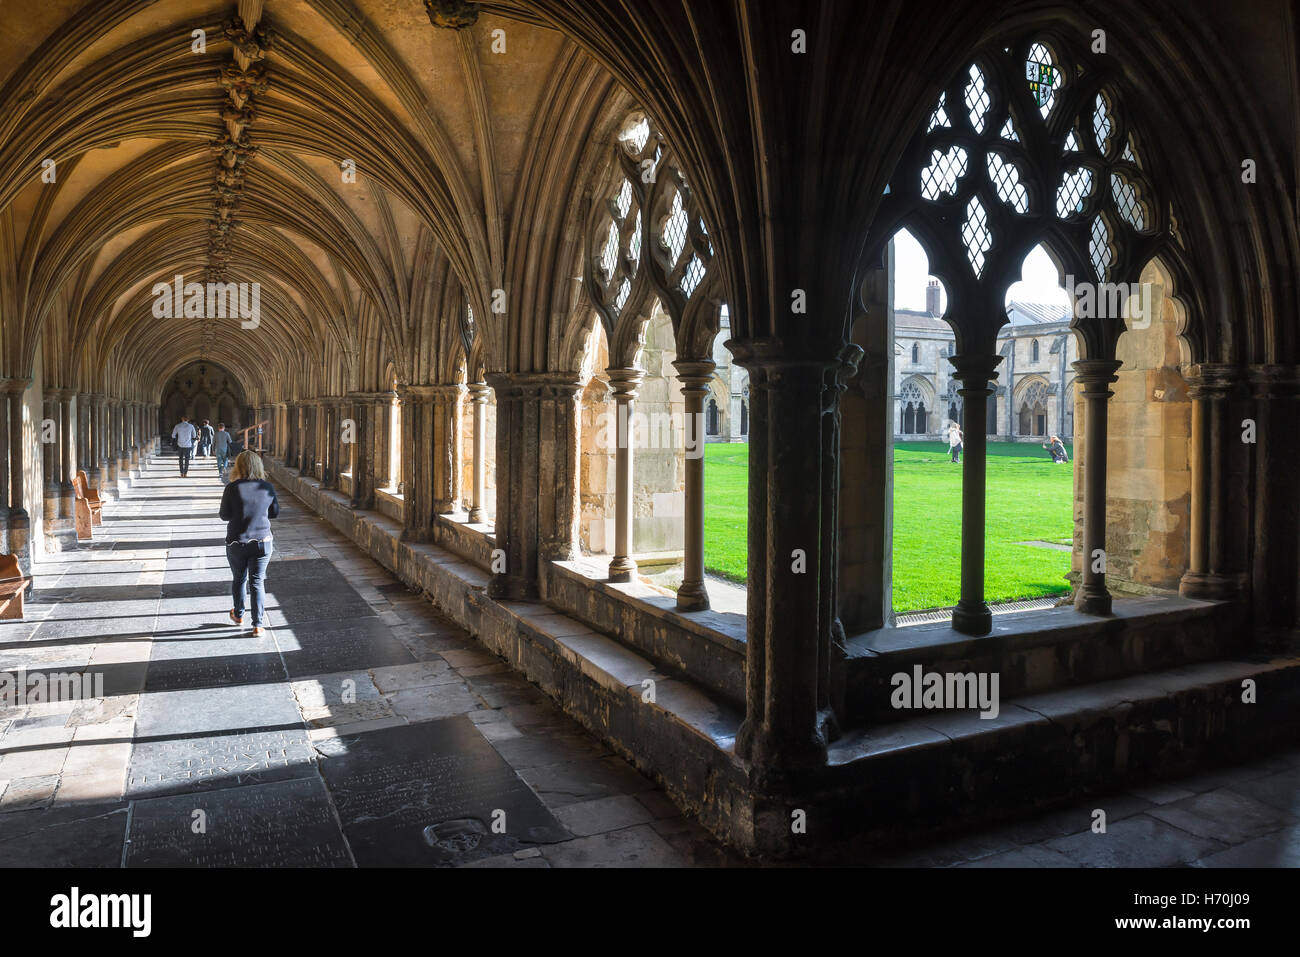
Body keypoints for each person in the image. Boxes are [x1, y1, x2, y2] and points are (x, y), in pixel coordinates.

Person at [219, 450, 279, 636]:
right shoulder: (267, 487)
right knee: (257, 582)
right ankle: (258, 625)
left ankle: (238, 615)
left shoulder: (232, 488)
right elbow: (274, 513)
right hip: (262, 541)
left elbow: (224, 516)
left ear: (239, 466)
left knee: (239, 579)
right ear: (258, 465)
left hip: (237, 541)